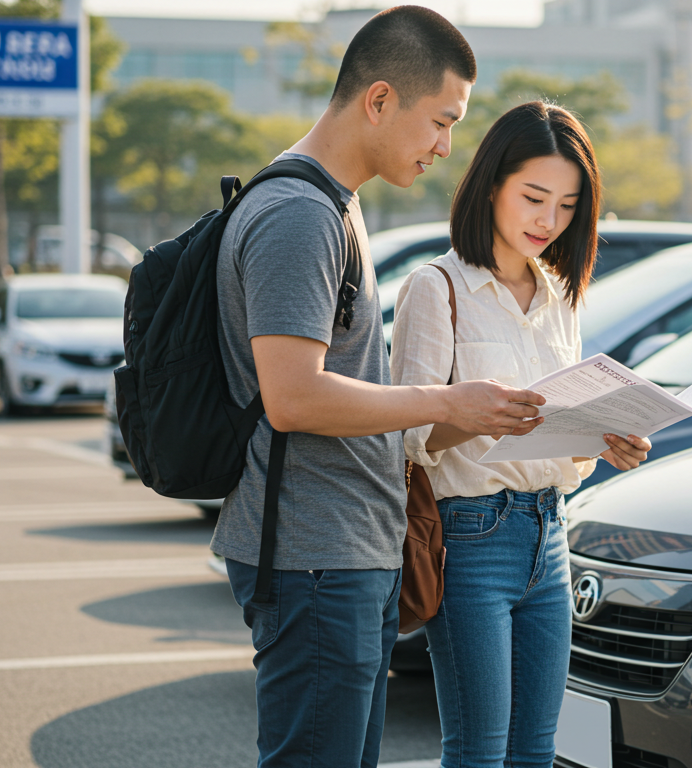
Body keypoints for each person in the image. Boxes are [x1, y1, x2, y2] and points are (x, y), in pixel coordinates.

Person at [212, 8, 548, 768]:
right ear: (379, 100)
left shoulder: (333, 203)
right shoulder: (300, 215)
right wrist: (444, 400)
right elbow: (294, 397)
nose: (445, 146)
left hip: (340, 551)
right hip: (315, 556)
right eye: (440, 120)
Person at [389, 101, 652, 768]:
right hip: (471, 537)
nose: (548, 220)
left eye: (566, 206)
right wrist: (467, 415)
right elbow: (408, 434)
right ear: (492, 185)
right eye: (535, 197)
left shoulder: (559, 293)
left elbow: (559, 429)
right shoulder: (437, 287)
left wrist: (604, 440)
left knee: (537, 750)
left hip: (551, 534)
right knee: (479, 751)